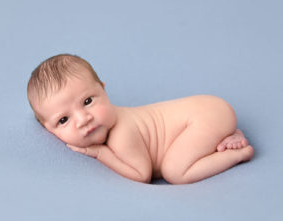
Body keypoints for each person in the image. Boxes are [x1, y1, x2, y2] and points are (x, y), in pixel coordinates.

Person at [27, 54, 254, 184]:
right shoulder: (108, 123)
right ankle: (225, 137)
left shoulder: (122, 131)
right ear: (48, 130)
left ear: (103, 91)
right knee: (181, 155)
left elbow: (141, 174)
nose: (83, 119)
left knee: (175, 172)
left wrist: (100, 153)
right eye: (63, 120)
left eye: (87, 102)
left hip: (205, 116)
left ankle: (238, 153)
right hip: (206, 113)